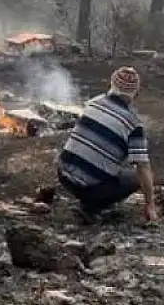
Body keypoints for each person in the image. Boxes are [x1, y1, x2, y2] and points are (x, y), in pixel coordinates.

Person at [56, 66, 158, 223]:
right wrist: (150, 205)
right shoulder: (134, 124)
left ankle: (91, 197)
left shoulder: (93, 103)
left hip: (63, 174)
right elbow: (143, 168)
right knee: (137, 177)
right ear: (135, 92)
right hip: (90, 189)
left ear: (111, 84)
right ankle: (91, 208)